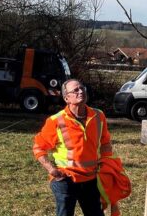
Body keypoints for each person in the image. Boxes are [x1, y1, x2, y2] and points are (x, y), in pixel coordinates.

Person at [33, 79, 113, 216]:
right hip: (66, 179)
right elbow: (38, 148)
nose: (81, 91)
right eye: (75, 90)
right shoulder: (55, 121)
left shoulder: (98, 116)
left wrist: (106, 165)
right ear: (66, 98)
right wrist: (51, 169)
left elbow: (106, 143)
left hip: (91, 179)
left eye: (82, 88)